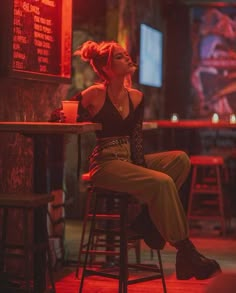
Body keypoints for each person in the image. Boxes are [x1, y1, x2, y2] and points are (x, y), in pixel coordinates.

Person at [65, 40, 221, 280]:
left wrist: (141, 171)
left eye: (126, 54)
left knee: (180, 160)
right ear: (106, 69)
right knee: (162, 183)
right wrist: (71, 118)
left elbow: (136, 141)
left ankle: (148, 221)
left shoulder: (136, 97)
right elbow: (64, 112)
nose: (127, 58)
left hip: (128, 159)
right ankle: (186, 252)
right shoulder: (95, 93)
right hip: (105, 164)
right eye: (119, 57)